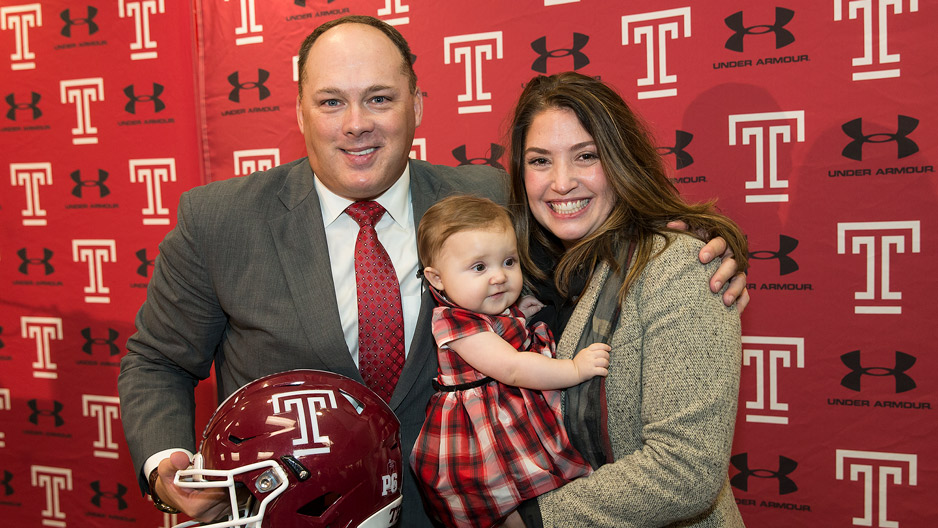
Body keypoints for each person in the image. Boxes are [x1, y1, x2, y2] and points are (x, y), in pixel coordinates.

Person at [117, 15, 746, 528]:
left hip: (466, 514)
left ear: (417, 106)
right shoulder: (220, 220)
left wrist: (698, 247)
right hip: (292, 514)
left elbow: (594, 265)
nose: (357, 123)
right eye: (331, 101)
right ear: (302, 111)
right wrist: (167, 464)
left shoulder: (492, 195)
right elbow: (157, 360)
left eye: (380, 99)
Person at [500, 72, 748, 527]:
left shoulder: (679, 265)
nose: (561, 182)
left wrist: (531, 521)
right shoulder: (526, 271)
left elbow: (687, 469)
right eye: (539, 160)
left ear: (621, 160)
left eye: (586, 156)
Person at [411, 195, 608, 528]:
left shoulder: (489, 310)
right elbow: (513, 368)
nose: (499, 277)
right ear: (437, 279)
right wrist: (574, 369)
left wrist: (518, 315)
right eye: (479, 267)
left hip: (513, 418)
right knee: (507, 513)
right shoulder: (455, 323)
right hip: (485, 439)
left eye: (509, 262)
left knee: (548, 504)